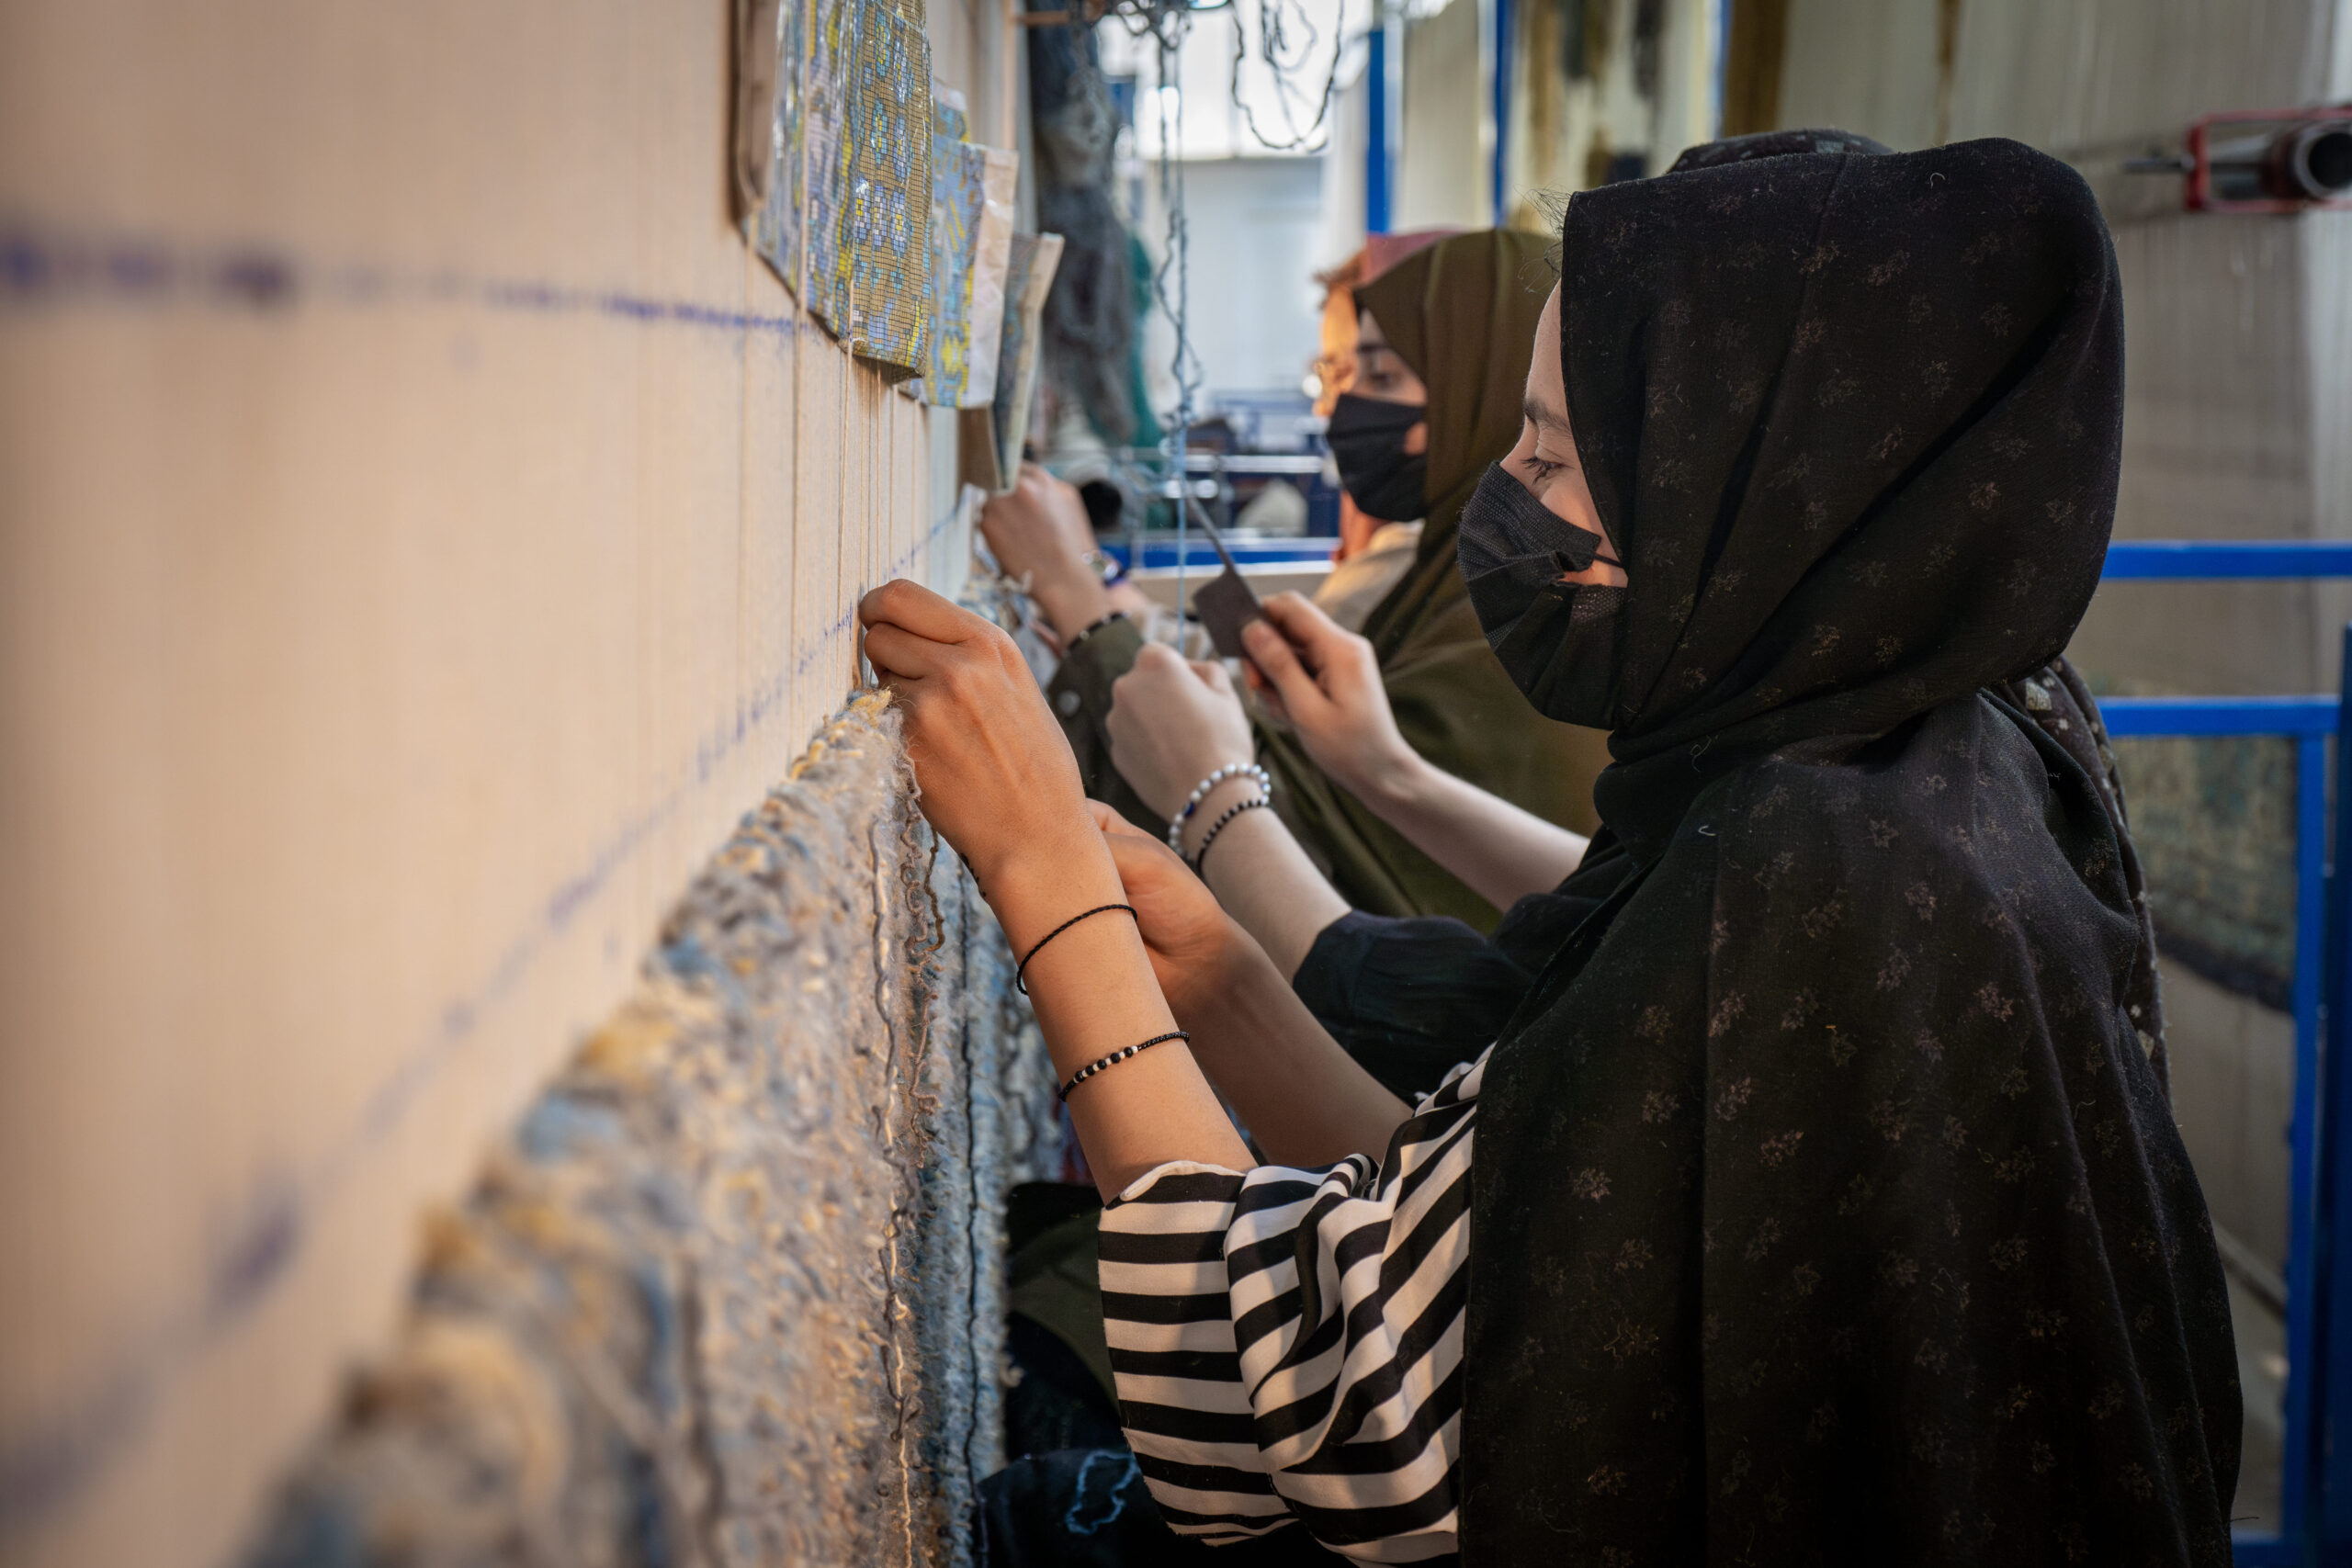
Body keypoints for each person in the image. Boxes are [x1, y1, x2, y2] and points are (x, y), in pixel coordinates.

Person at [869, 135, 2238, 1563]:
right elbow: (1531, 1234)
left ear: (1740, 485)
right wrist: (1214, 978)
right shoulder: (1962, 750)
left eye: (1554, 453)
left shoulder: (1820, 869)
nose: (1508, 496)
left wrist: (1046, 884)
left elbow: (1316, 1409)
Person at [985, 230, 1613, 931]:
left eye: (1374, 377)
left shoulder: (1523, 631)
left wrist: (1083, 603)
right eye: (1337, 377)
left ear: (1477, 390)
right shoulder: (1440, 588)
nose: (1335, 411)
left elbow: (1299, 865)